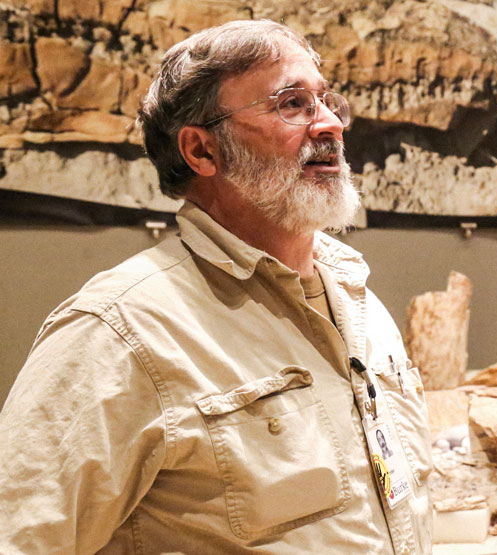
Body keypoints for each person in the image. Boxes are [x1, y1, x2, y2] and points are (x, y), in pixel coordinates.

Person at [0, 20, 432, 553]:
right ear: (202, 151)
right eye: (291, 104)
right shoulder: (119, 332)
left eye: (325, 101)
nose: (329, 126)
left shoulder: (358, 299)